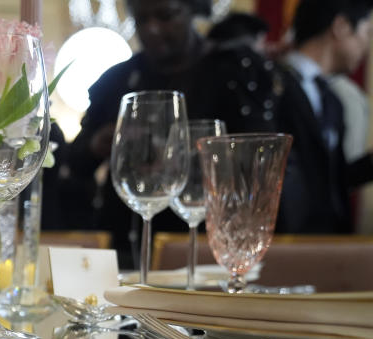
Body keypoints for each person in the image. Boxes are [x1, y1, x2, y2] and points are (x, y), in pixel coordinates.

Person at [51, 0, 283, 268]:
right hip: (128, 240)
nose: (153, 29)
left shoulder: (233, 71)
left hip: (209, 240)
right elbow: (74, 164)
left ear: (192, 10)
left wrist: (190, 158)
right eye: (142, 20)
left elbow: (258, 157)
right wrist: (98, 143)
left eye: (165, 16)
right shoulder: (119, 80)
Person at [275, 0, 373, 233]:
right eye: (367, 32)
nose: (367, 46)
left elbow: (327, 181)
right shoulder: (271, 88)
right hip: (286, 248)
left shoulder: (333, 100)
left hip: (329, 244)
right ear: (341, 26)